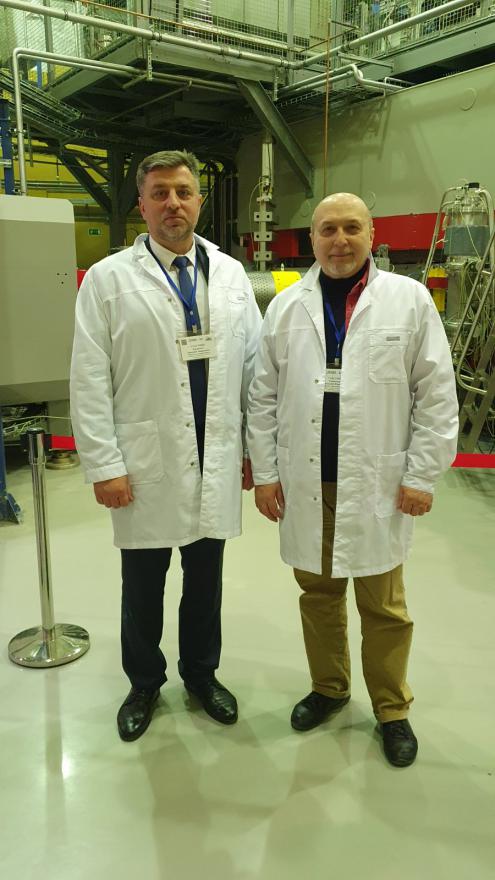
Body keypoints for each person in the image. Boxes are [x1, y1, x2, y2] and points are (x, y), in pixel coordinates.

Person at [247, 192, 458, 767]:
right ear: (312, 239)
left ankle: (391, 708)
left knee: (384, 606)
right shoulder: (285, 308)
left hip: (377, 481)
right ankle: (329, 688)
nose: (339, 240)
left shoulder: (409, 300)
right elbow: (262, 397)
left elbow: (436, 394)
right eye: (327, 230)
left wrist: (422, 475)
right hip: (307, 481)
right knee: (318, 596)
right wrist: (265, 474)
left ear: (371, 236)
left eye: (351, 228)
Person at [71, 150, 262, 741]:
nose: (173, 204)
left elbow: (255, 369)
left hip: (216, 454)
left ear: (199, 200)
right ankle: (144, 682)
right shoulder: (107, 279)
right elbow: (89, 378)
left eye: (183, 192)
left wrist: (255, 453)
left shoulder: (230, 274)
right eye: (160, 194)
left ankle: (201, 675)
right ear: (142, 205)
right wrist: (104, 464)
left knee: (205, 583)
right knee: (143, 585)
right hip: (143, 463)